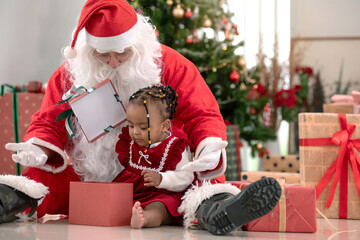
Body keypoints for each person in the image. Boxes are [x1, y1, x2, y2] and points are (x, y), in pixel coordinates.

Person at [0, 0, 281, 235]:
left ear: (138, 42)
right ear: (87, 51)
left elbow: (201, 113)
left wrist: (208, 147)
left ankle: (217, 210)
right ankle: (7, 201)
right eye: (103, 55)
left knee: (200, 180)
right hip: (92, 184)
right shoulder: (70, 74)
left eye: (122, 52)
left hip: (154, 175)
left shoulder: (170, 66)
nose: (113, 61)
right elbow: (49, 121)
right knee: (39, 177)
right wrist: (37, 148)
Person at [114, 85, 194, 228]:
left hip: (160, 194)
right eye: (131, 126)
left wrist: (162, 179)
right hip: (132, 192)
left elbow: (187, 176)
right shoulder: (131, 143)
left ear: (164, 126)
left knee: (159, 208)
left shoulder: (174, 147)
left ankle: (145, 219)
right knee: (113, 200)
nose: (135, 132)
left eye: (143, 127)